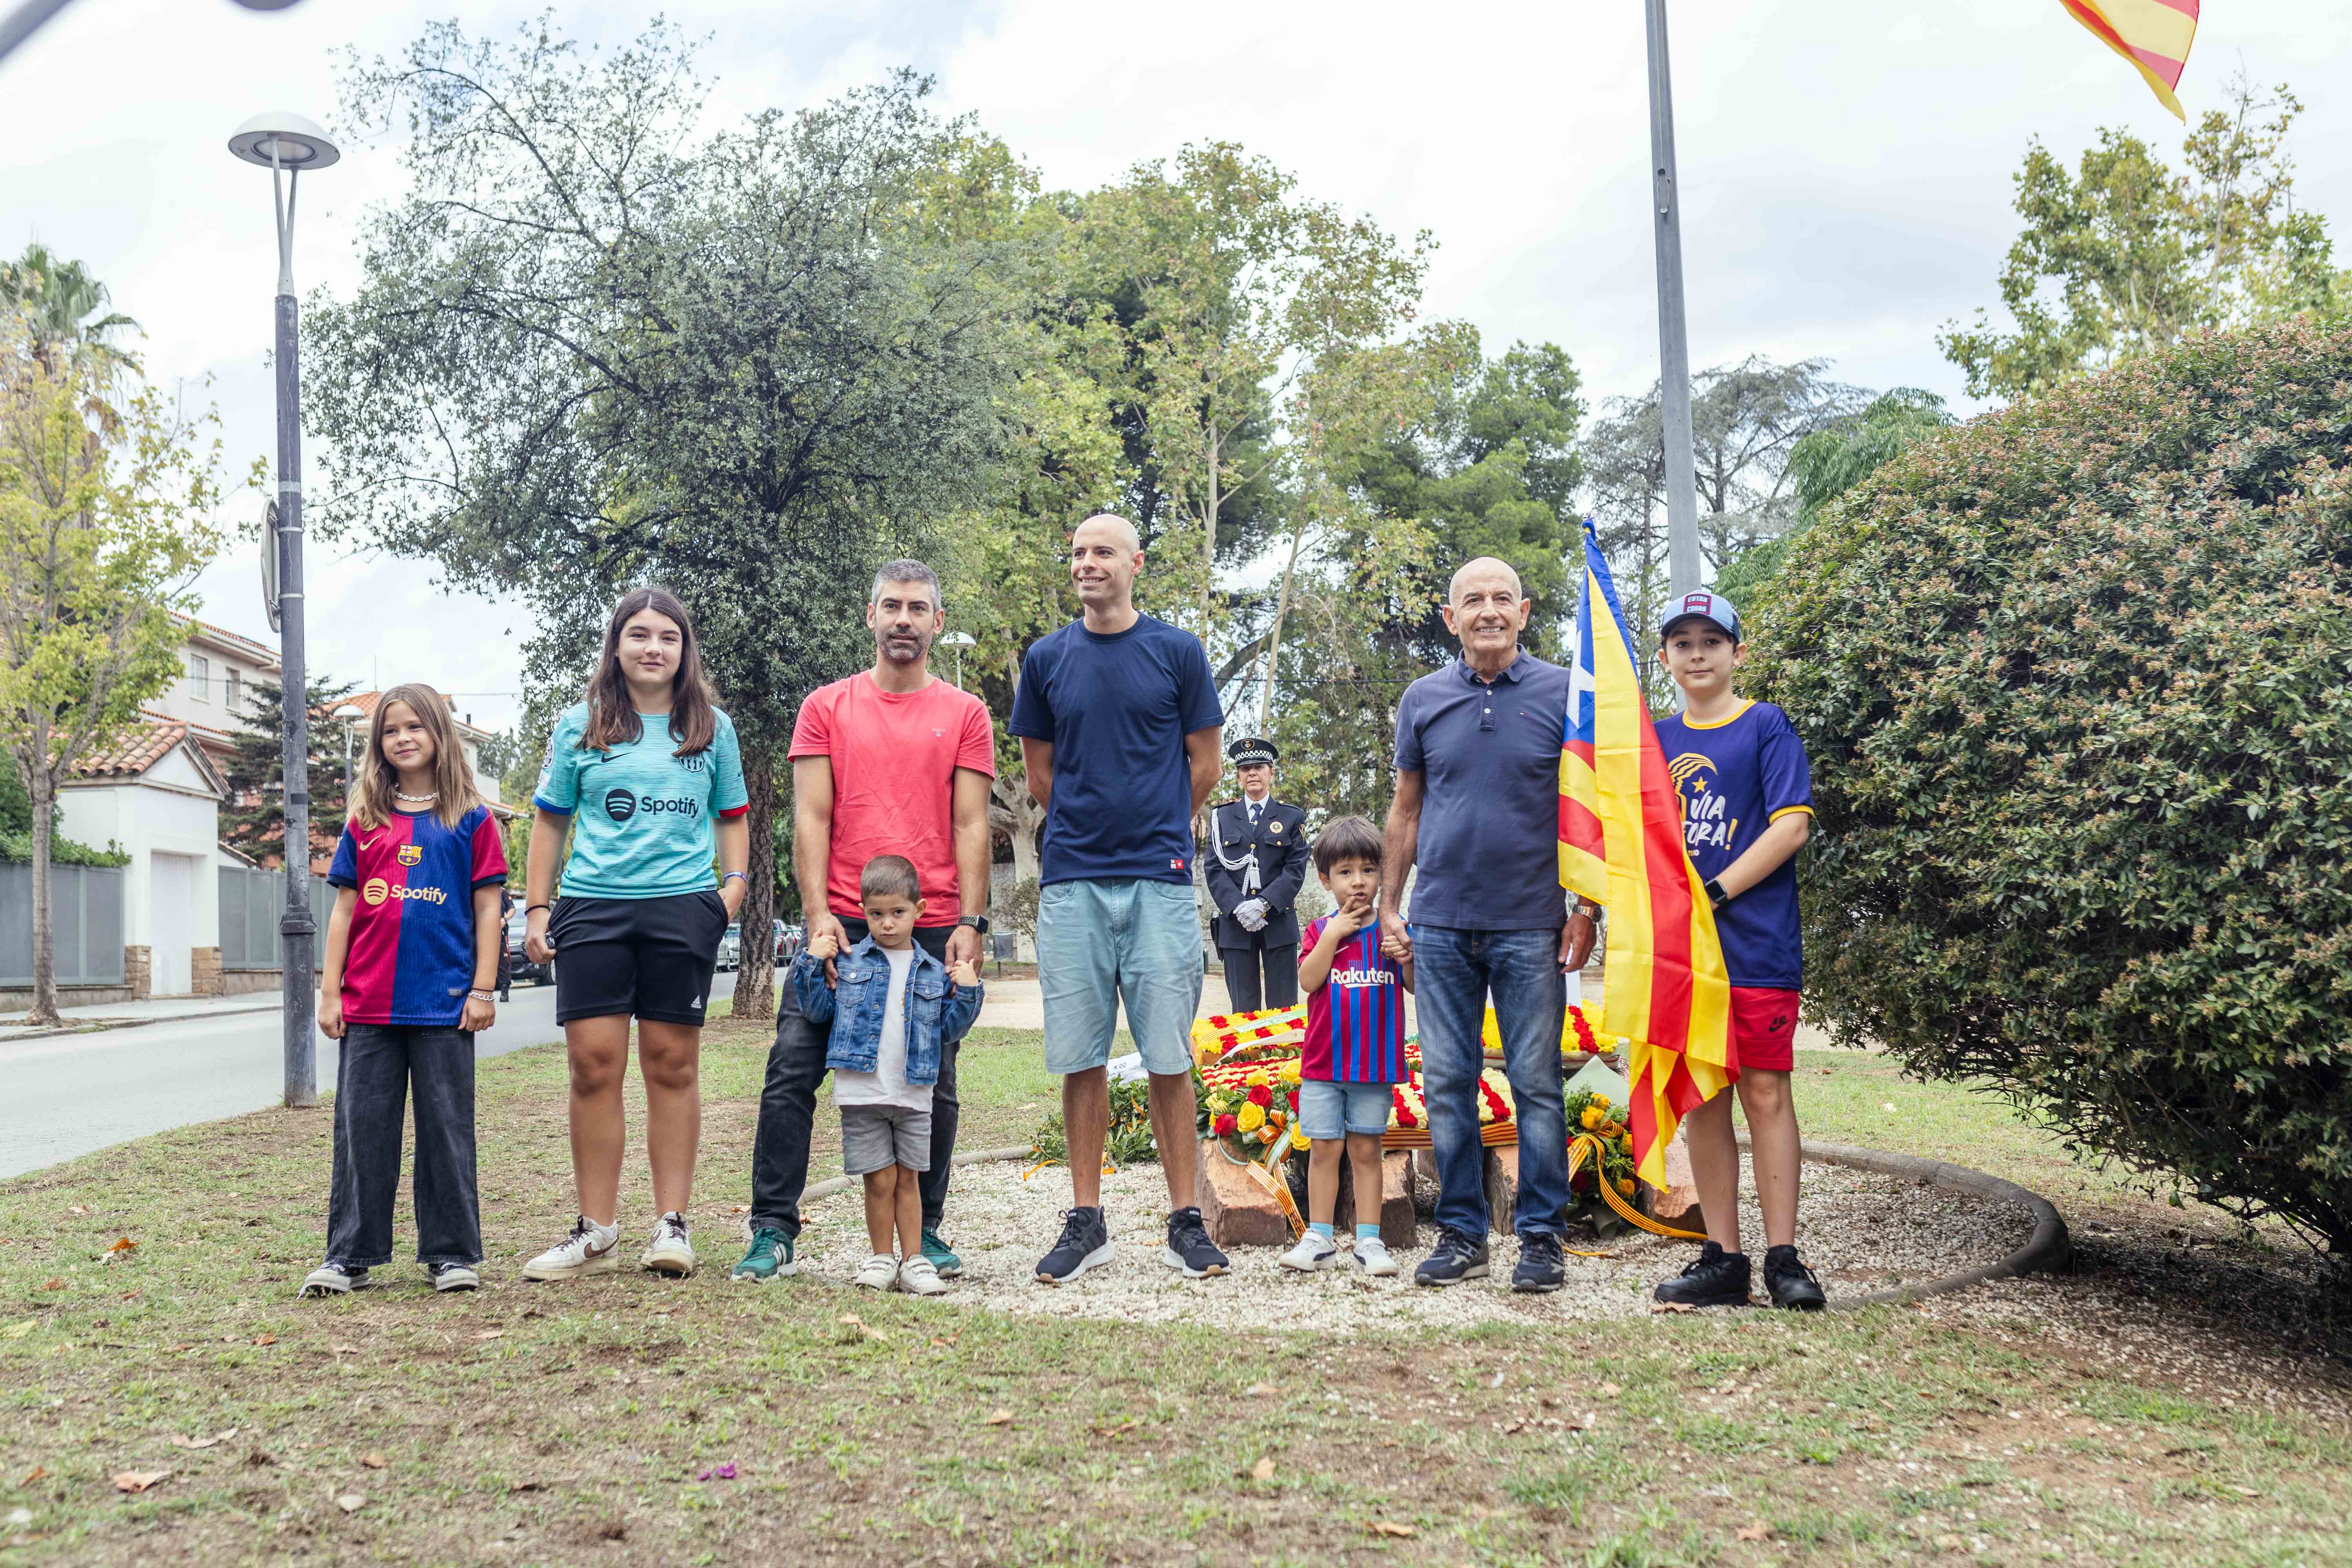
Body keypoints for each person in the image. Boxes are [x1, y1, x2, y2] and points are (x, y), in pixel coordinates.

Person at [733, 561, 995, 1284]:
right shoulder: (827, 707)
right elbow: (810, 817)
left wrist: (971, 919)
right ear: (870, 616)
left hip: (935, 923)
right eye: (891, 606)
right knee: (792, 1071)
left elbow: (972, 822)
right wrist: (818, 916)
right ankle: (773, 1230)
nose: (904, 619)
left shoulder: (967, 714)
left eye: (918, 607)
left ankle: (926, 1232)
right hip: (843, 926)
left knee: (932, 1080)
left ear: (938, 622)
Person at [1010, 513, 1228, 1284]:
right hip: (1072, 882)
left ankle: (1184, 1221)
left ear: (1135, 562)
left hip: (1160, 878)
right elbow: (1041, 774)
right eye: (1077, 552)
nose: (1087, 564)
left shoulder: (1176, 651)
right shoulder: (1046, 659)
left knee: (1169, 1055)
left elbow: (1206, 761)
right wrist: (1088, 822)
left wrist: (1162, 819)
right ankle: (1086, 1220)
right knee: (1081, 1055)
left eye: (1102, 551)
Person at [520, 588, 749, 1282]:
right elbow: (551, 822)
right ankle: (595, 1228)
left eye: (669, 638)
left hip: (682, 910)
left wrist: (729, 895)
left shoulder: (712, 727)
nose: (655, 648)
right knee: (593, 1064)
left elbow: (732, 816)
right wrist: (536, 909)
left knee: (671, 1065)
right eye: (640, 635)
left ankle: (671, 1223)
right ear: (617, 646)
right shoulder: (579, 726)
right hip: (593, 909)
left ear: (685, 651)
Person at [1381, 557, 1595, 1294]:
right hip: (1439, 925)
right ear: (1451, 618)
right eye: (1473, 600)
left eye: (1503, 598)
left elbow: (1591, 810)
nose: (1489, 611)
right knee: (1448, 1082)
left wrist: (1587, 907)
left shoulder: (1566, 692)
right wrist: (1388, 905)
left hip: (1531, 924)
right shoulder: (1422, 699)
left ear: (1526, 611)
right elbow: (1406, 811)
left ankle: (1541, 1240)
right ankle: (1463, 1235)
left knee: (1536, 1084)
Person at [1646, 591, 1828, 1311]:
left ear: (1737, 654)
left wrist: (1711, 894)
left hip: (1755, 945)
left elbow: (1791, 829)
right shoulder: (1653, 742)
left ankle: (1784, 1258)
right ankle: (1723, 1256)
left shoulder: (1765, 727)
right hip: (1679, 956)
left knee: (1765, 1090)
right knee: (1705, 1096)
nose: (1697, 654)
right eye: (1683, 643)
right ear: (1665, 658)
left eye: (1712, 642)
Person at [301, 685, 507, 1298]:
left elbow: (489, 910)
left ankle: (450, 1254)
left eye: (416, 726)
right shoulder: (365, 820)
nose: (404, 738)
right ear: (379, 745)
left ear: (440, 734)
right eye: (391, 731)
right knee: (363, 1132)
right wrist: (329, 992)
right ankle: (349, 1256)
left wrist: (484, 989)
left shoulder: (471, 818)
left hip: (445, 1005)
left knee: (446, 1131)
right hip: (367, 1007)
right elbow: (342, 913)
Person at [793, 855, 984, 1296]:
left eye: (898, 913)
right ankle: (881, 1257)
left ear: (919, 910)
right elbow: (818, 1011)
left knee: (909, 1178)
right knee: (878, 1180)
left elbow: (947, 1032)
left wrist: (970, 991)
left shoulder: (934, 972)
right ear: (863, 913)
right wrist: (810, 963)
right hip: (862, 1094)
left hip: (913, 1091)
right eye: (876, 914)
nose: (888, 924)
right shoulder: (851, 964)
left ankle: (914, 1260)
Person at [1279, 815, 1410, 1278]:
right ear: (1325, 878)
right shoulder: (1319, 930)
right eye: (1346, 872)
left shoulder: (1393, 930)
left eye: (1369, 870)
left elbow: (1414, 985)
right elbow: (1308, 980)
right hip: (1322, 1065)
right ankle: (1318, 1237)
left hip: (1374, 1067)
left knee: (1367, 1151)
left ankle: (1370, 1240)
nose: (1359, 882)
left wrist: (1407, 955)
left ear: (1383, 875)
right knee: (1324, 1149)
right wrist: (1335, 934)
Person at [1202, 737, 1311, 1011]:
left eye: (1260, 766)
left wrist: (1264, 904)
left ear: (1271, 773)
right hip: (1236, 925)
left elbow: (1296, 867)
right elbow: (1214, 869)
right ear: (1239, 776)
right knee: (1243, 1009)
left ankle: (1284, 1055)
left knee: (1283, 1009)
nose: (1252, 772)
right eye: (1245, 768)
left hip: (1277, 920)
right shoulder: (1221, 818)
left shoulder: (1291, 817)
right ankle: (1247, 1056)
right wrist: (1239, 907)